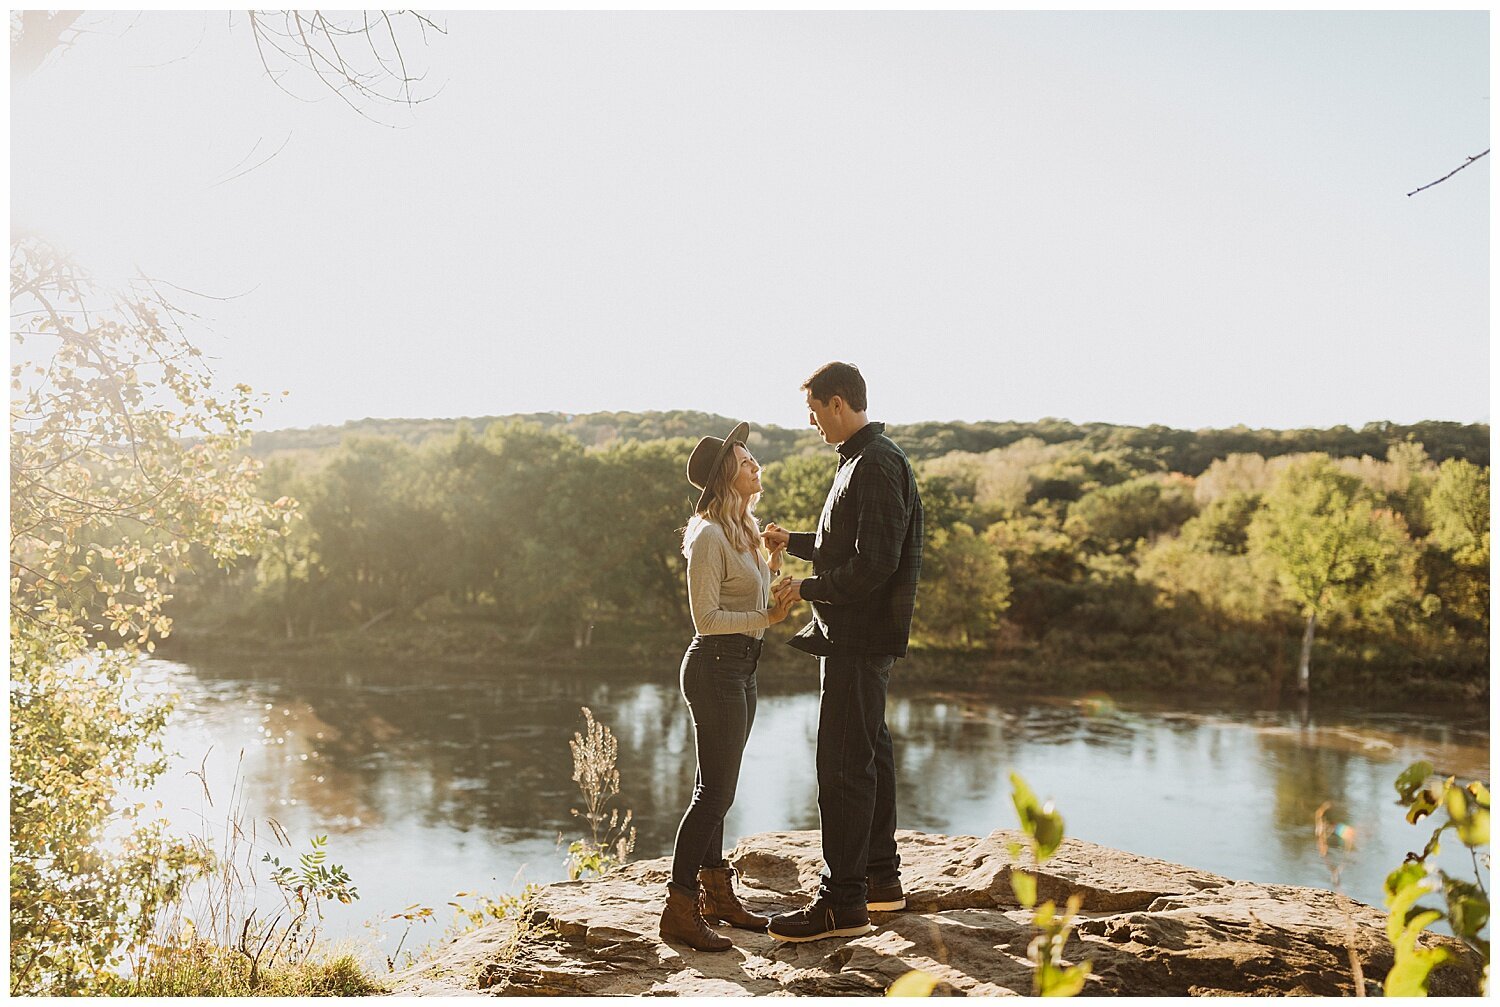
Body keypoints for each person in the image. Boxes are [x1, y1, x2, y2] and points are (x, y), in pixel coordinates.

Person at [761, 362, 924, 943]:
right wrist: (796, 544)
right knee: (868, 759)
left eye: (812, 413)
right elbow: (849, 545)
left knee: (843, 767)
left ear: (836, 403)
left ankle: (842, 903)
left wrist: (806, 587)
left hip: (857, 640)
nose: (811, 425)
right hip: (855, 639)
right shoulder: (863, 459)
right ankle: (880, 884)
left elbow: (875, 565)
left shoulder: (876, 463)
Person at [658, 420, 800, 952]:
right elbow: (707, 619)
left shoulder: (743, 526)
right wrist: (768, 618)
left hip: (741, 668)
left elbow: (748, 592)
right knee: (714, 793)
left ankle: (717, 895)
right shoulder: (708, 535)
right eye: (745, 462)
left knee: (716, 787)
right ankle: (679, 907)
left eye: (752, 458)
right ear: (725, 476)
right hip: (714, 665)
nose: (755, 465)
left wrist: (775, 565)